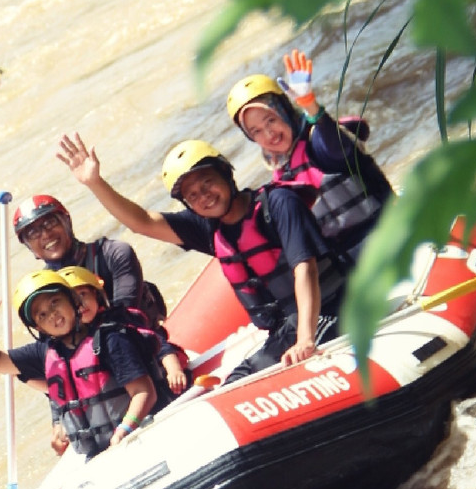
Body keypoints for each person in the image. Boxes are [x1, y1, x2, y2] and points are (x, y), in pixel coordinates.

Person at [57, 133, 350, 383]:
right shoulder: (210, 227)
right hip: (285, 329)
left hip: (333, 309)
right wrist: (95, 183)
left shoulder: (278, 204)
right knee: (235, 384)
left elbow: (305, 269)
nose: (204, 197)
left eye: (207, 183)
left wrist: (305, 339)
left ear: (226, 173)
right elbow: (142, 221)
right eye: (193, 195)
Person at [0, 269, 164, 459]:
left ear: (73, 302)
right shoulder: (43, 353)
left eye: (55, 302)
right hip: (99, 453)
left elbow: (143, 392)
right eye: (41, 314)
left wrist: (124, 430)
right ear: (38, 327)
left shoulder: (110, 340)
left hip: (139, 433)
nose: (51, 314)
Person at [226, 50, 394, 265]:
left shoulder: (319, 139)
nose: (269, 134)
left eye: (270, 120)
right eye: (256, 131)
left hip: (386, 234)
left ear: (285, 110)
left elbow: (336, 149)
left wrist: (311, 107)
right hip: (350, 261)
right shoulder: (280, 180)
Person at [12, 193, 170, 333]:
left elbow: (125, 315)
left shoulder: (114, 254)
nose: (45, 234)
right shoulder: (40, 293)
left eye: (50, 223)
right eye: (33, 233)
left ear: (67, 221)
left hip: (144, 345)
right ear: (28, 247)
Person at [62, 265, 189, 396]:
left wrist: (174, 370)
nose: (81, 305)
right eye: (73, 301)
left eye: (83, 294)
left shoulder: (121, 318)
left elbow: (158, 343)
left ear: (96, 294)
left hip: (159, 386)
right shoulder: (70, 344)